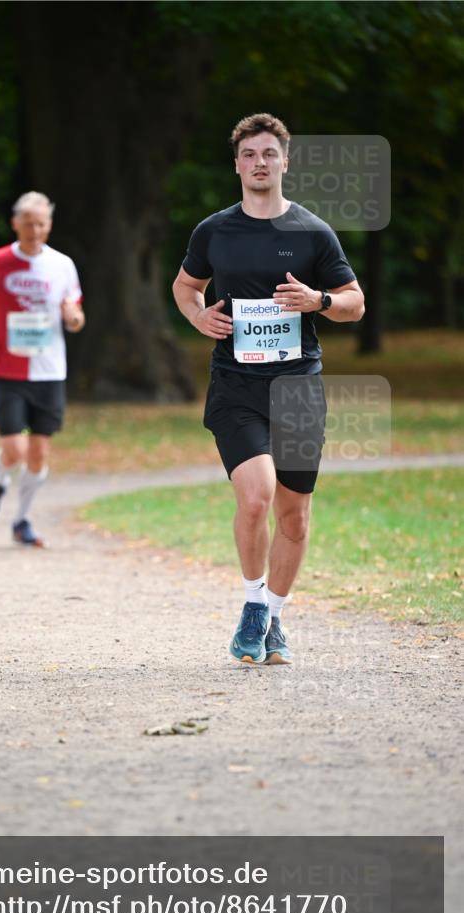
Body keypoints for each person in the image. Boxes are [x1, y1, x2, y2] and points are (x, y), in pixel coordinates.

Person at [173, 112, 364, 665]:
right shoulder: (214, 231)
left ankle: (275, 616)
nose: (260, 163)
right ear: (237, 165)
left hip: (297, 388)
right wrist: (197, 316)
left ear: (285, 162)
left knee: (294, 514)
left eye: (269, 154)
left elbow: (354, 303)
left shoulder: (312, 231)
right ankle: (254, 604)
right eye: (250, 155)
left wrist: (319, 301)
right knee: (255, 497)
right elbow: (185, 286)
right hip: (236, 385)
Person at [0, 191, 84, 547]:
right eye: (28, 224)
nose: (35, 231)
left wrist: (73, 318)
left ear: (50, 224)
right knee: (14, 449)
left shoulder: (63, 264)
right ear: (15, 224)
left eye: (41, 224)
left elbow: (76, 314)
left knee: (39, 454)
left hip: (50, 371)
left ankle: (22, 519)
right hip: (9, 370)